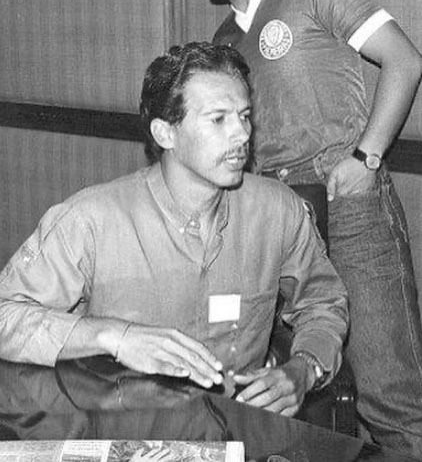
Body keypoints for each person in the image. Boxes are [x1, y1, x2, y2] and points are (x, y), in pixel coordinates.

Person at [166, 0, 422, 462]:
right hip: (280, 222)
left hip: (352, 211)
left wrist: (365, 156)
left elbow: (405, 60)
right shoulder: (226, 38)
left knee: (391, 395)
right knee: (307, 393)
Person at [0, 41, 348, 418]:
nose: (242, 135)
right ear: (166, 134)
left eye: (244, 116)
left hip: (236, 427)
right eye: (218, 119)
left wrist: (303, 369)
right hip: (122, 427)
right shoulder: (90, 220)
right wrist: (113, 335)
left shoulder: (277, 210)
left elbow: (322, 304)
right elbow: (5, 317)